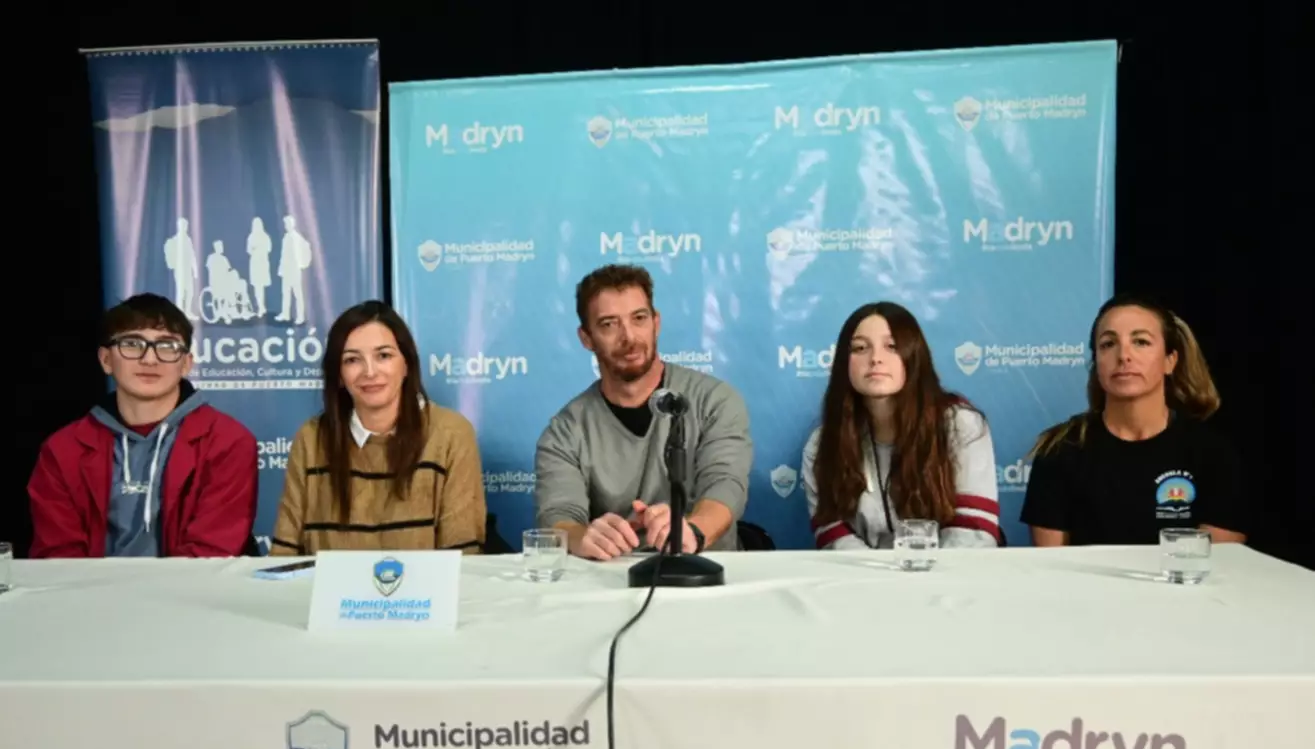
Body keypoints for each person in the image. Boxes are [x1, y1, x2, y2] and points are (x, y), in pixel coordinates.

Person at [534, 264, 753, 560]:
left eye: (639, 318)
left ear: (656, 323)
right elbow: (557, 516)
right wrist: (581, 537)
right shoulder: (565, 431)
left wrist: (692, 531)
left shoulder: (714, 400)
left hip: (704, 571)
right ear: (586, 338)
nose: (629, 337)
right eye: (609, 324)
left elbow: (725, 485)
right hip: (611, 576)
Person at [27, 293, 258, 557]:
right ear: (106, 360)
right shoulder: (62, 449)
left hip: (190, 584)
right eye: (132, 344)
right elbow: (58, 558)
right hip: (90, 585)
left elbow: (210, 554)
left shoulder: (228, 441)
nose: (150, 359)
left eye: (167, 346)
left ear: (186, 364)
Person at [1020, 294, 1246, 546]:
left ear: (1170, 361)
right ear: (1096, 362)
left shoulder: (1213, 453)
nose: (1123, 356)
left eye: (1141, 342)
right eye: (1108, 344)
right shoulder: (1059, 451)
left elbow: (1217, 562)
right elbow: (1053, 564)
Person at [270, 301, 486, 554]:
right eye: (352, 360)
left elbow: (461, 558)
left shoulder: (451, 434)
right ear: (339, 375)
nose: (370, 372)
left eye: (383, 356)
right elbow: (284, 555)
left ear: (406, 364)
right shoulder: (311, 438)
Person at [802, 302, 1002, 550]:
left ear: (914, 356)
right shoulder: (822, 445)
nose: (875, 359)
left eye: (892, 346)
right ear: (843, 362)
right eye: (860, 348)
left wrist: (923, 572)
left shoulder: (960, 425)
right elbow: (835, 539)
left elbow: (973, 533)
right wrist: (875, 574)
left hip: (950, 572)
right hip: (861, 573)